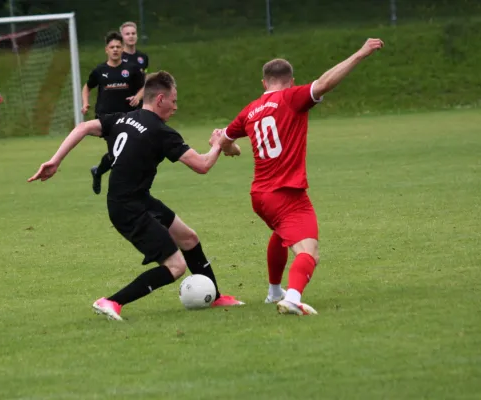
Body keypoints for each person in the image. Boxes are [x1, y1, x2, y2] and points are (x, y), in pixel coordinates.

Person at [29, 71, 244, 321]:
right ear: (161, 99)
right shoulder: (161, 132)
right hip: (128, 208)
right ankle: (111, 301)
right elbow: (202, 165)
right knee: (176, 267)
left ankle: (215, 297)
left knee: (188, 237)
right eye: (174, 101)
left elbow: (84, 126)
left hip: (137, 198)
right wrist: (218, 143)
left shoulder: (124, 118)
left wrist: (55, 161)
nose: (176, 106)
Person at [215, 38, 384, 315]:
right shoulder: (291, 98)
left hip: (260, 195)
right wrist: (360, 53)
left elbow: (224, 139)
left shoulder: (250, 110)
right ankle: (292, 298)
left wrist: (232, 150)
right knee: (309, 251)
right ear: (291, 82)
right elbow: (326, 82)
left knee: (281, 234)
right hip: (286, 193)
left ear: (263, 83)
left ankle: (274, 292)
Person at [83, 31, 145, 195]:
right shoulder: (100, 70)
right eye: (112, 47)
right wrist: (85, 103)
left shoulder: (131, 69)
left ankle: (99, 172)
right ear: (106, 50)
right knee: (119, 153)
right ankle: (124, 189)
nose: (115, 49)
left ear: (123, 49)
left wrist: (138, 97)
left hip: (128, 117)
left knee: (120, 153)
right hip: (106, 118)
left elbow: (145, 86)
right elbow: (87, 86)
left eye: (118, 46)